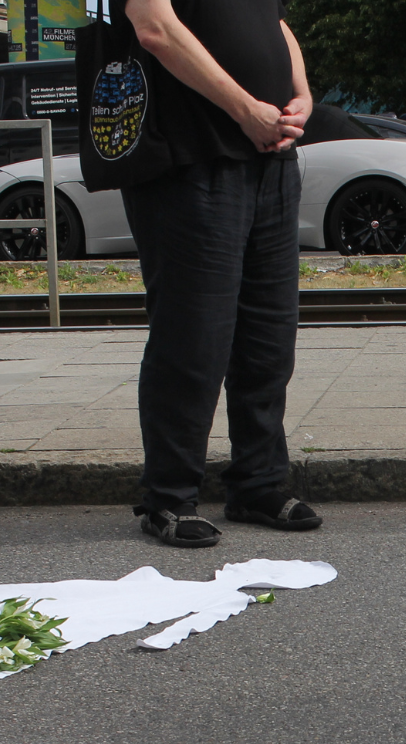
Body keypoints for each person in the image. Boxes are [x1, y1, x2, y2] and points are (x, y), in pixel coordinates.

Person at [119, 0, 322, 548]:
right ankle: (168, 498)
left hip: (270, 162)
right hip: (190, 161)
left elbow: (276, 24)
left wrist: (299, 95)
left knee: (268, 339)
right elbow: (155, 29)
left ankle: (257, 484)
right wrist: (244, 109)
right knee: (193, 340)